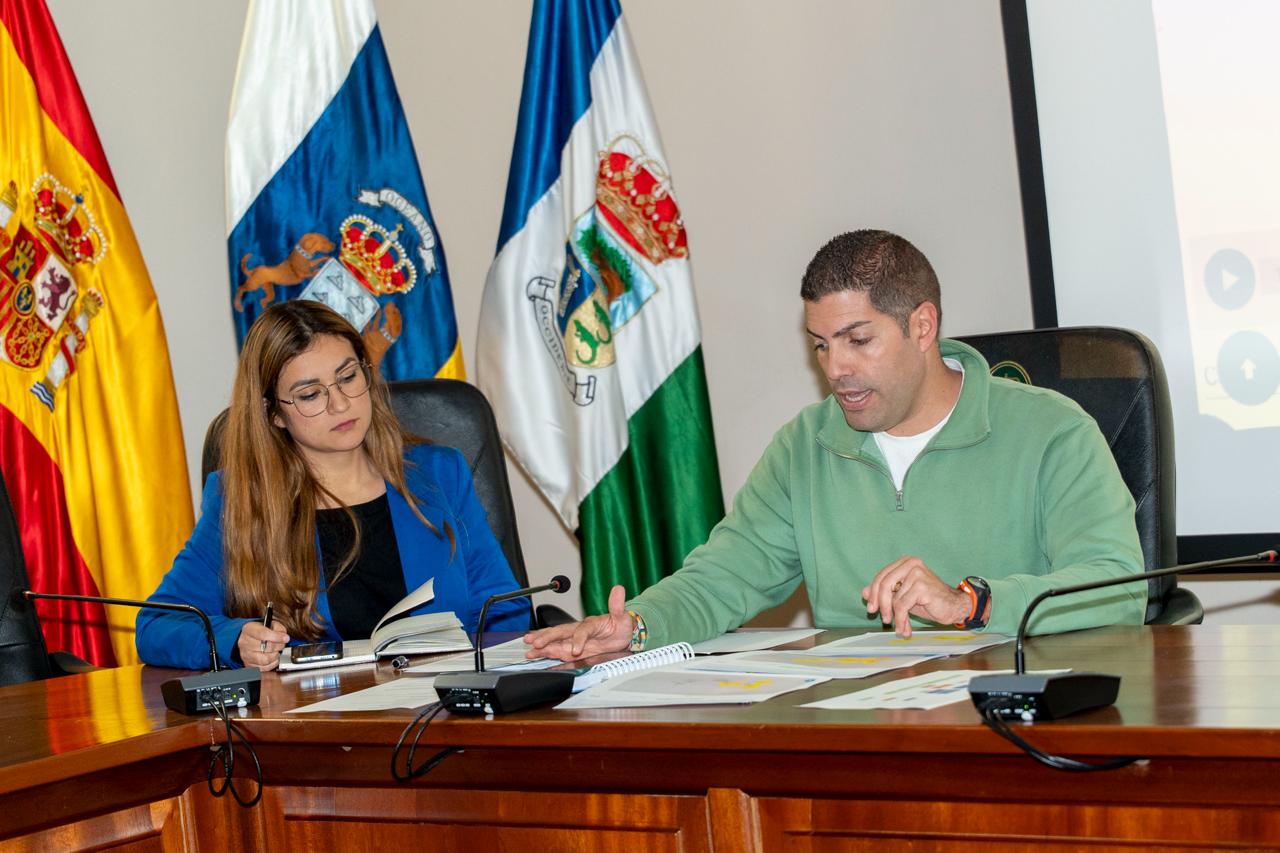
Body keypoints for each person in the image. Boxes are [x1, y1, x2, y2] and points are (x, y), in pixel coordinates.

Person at [526, 229, 1146, 661]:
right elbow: (723, 579)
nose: (836, 368)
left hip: (1007, 726)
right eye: (821, 344)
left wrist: (971, 604)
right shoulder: (805, 445)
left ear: (922, 326)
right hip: (865, 734)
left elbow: (1118, 588)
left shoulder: (1050, 431)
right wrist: (637, 625)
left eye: (858, 340)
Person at [137, 300, 529, 670]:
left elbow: (505, 611)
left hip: (440, 705)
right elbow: (157, 626)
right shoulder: (239, 500)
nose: (340, 404)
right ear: (273, 413)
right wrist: (234, 638)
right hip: (314, 719)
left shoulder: (441, 475)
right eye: (309, 394)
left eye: (347, 377)